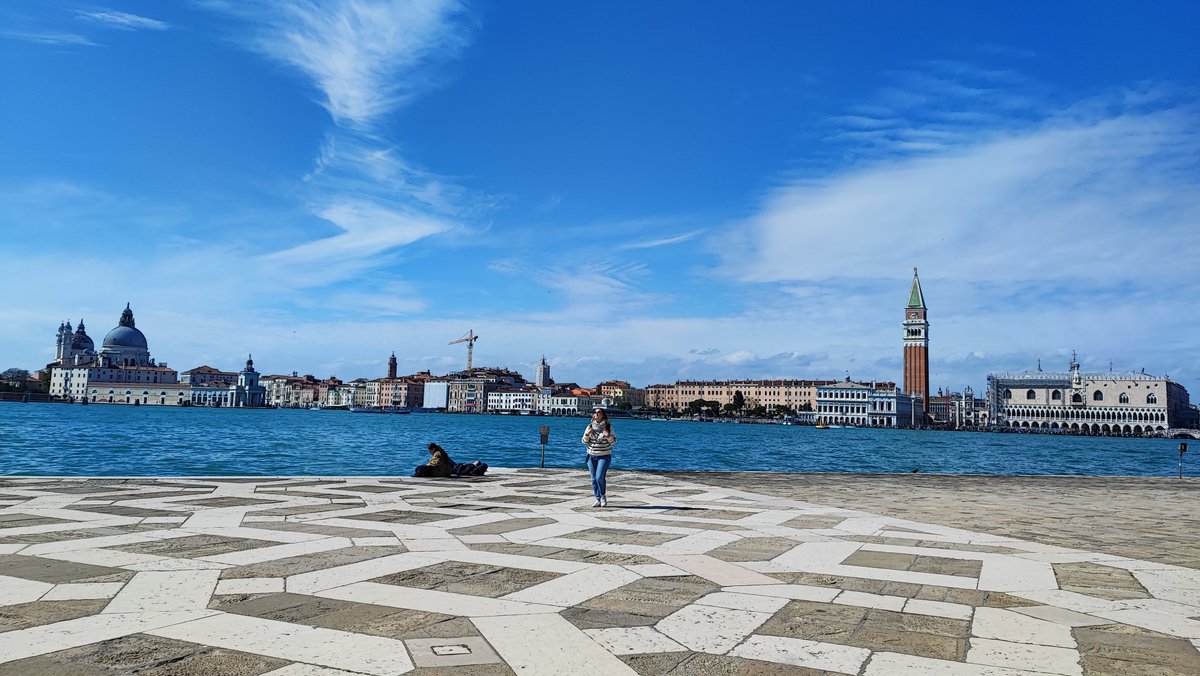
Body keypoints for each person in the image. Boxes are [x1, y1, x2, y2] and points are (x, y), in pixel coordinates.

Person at [581, 408, 616, 507]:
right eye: (595, 412)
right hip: (591, 456)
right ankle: (597, 499)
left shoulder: (608, 427)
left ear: (602, 415)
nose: (596, 414)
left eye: (599, 412)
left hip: (604, 455)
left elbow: (614, 442)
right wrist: (587, 434)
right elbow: (584, 441)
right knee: (593, 478)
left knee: (599, 476)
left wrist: (608, 436)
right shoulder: (589, 426)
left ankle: (603, 496)